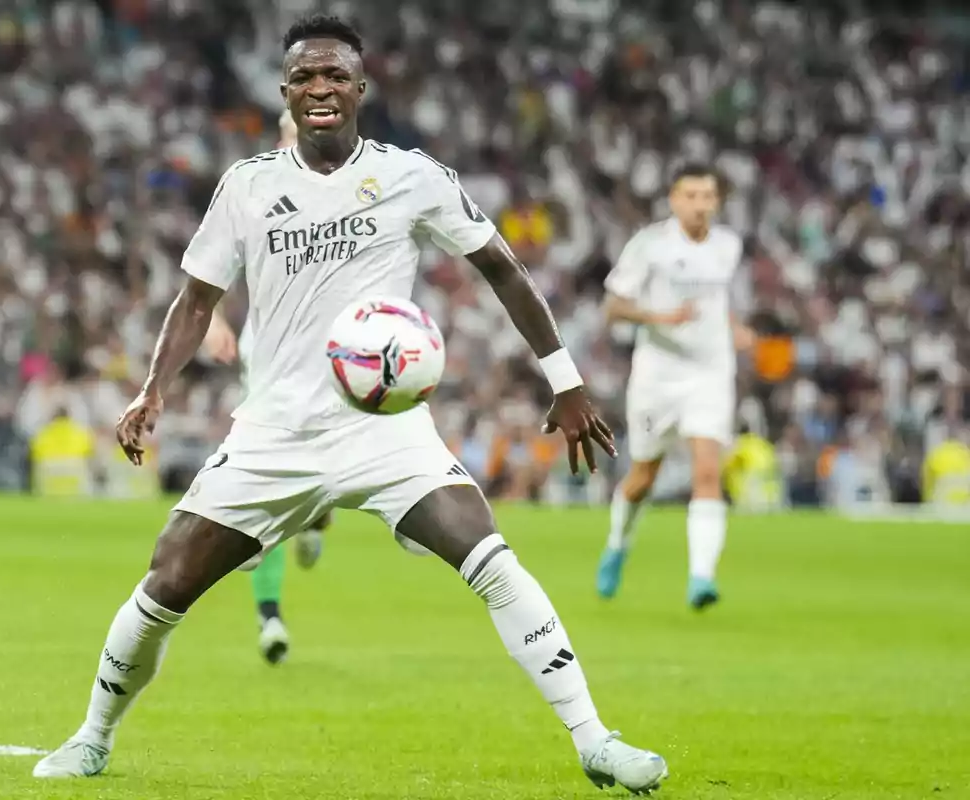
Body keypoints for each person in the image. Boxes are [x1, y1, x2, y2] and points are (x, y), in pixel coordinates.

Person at [33, 15, 668, 793]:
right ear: (286, 92)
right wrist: (153, 388)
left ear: (361, 89)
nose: (320, 88)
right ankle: (92, 738)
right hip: (276, 432)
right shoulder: (249, 186)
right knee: (166, 582)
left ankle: (596, 740)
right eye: (305, 76)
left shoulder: (413, 177)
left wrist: (565, 381)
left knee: (491, 556)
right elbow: (196, 300)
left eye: (335, 75)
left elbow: (502, 269)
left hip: (384, 431)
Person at [201, 108, 329, 665]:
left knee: (327, 467)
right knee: (272, 471)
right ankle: (270, 618)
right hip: (269, 353)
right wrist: (215, 321)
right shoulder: (254, 187)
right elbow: (210, 268)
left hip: (335, 354)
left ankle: (318, 515)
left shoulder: (357, 190)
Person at [596, 164, 754, 609]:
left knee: (708, 469)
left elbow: (714, 303)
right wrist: (661, 318)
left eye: (708, 196)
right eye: (691, 195)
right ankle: (617, 543)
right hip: (658, 374)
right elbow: (614, 308)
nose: (700, 205)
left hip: (710, 372)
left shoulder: (728, 246)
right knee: (643, 476)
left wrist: (734, 328)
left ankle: (701, 577)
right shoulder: (650, 245)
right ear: (673, 199)